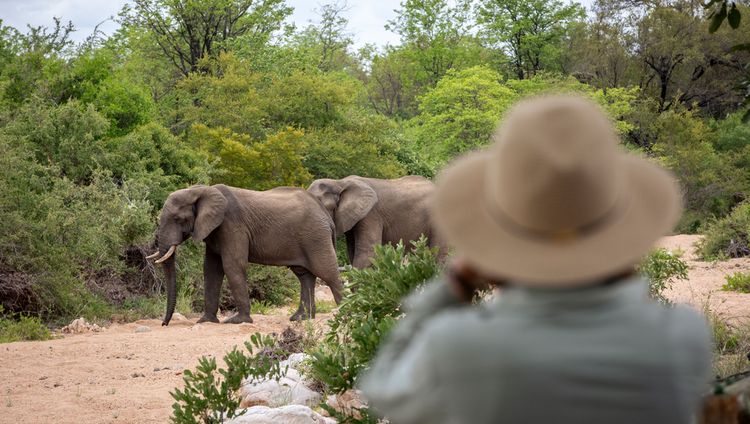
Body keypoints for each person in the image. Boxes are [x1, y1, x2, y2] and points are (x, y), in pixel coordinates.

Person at [359, 95, 712, 424]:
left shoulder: (458, 345)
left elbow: (383, 390)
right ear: (621, 234)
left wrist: (453, 287)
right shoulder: (681, 336)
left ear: (496, 247)